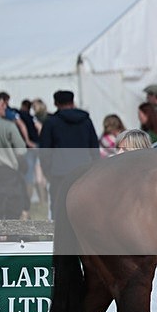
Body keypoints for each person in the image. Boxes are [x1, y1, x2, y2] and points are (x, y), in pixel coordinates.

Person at [39, 90, 100, 218]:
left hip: (59, 174)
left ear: (55, 103)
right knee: (84, 211)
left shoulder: (51, 123)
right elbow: (94, 148)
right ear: (72, 102)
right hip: (84, 172)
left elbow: (45, 151)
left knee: (60, 212)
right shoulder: (86, 121)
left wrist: (48, 171)